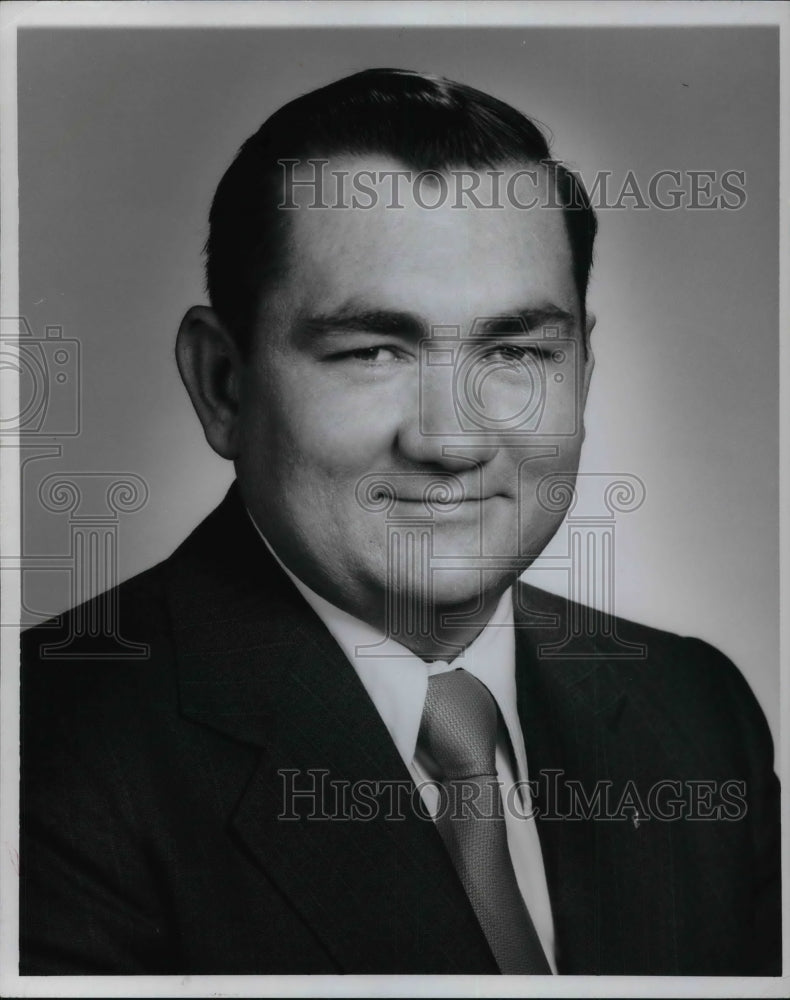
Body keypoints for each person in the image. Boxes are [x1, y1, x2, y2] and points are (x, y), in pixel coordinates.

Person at [20, 68, 781, 976]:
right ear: (222, 384)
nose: (453, 441)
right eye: (374, 350)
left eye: (515, 350)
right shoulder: (37, 755)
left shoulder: (696, 714)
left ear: (580, 372)